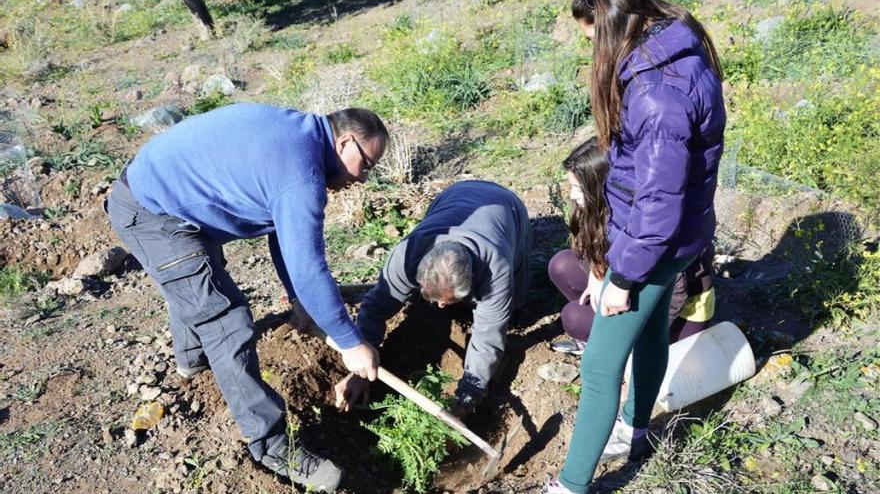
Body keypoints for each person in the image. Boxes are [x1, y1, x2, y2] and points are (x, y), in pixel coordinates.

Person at [106, 103, 387, 493]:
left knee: (195, 281)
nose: (364, 178)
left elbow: (283, 232)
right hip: (153, 212)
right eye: (367, 165)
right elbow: (308, 264)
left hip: (163, 196)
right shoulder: (301, 174)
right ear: (344, 142)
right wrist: (349, 341)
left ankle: (195, 364)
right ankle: (272, 445)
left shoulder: (301, 140)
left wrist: (298, 298)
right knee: (226, 318)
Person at [544, 0, 725, 492]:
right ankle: (636, 429)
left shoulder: (655, 92)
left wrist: (623, 276)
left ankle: (572, 484)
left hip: (656, 246)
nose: (592, 48)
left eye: (591, 35)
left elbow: (657, 202)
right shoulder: (679, 49)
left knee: (600, 366)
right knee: (647, 339)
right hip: (680, 236)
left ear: (612, 22)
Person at [332, 180, 531, 419]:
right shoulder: (408, 255)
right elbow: (374, 308)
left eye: (447, 300)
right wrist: (360, 371)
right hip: (455, 194)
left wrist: (467, 398)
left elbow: (488, 338)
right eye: (434, 298)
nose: (439, 306)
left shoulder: (496, 269)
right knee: (410, 299)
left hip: (507, 208)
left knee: (516, 309)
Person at [548, 137, 715, 356]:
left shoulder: (650, 225)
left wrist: (635, 332)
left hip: (677, 311)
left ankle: (619, 350)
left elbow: (675, 293)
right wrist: (597, 274)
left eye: (579, 188)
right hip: (629, 285)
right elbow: (595, 251)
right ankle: (602, 333)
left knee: (574, 317)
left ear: (602, 186)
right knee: (561, 265)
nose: (572, 195)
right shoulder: (601, 207)